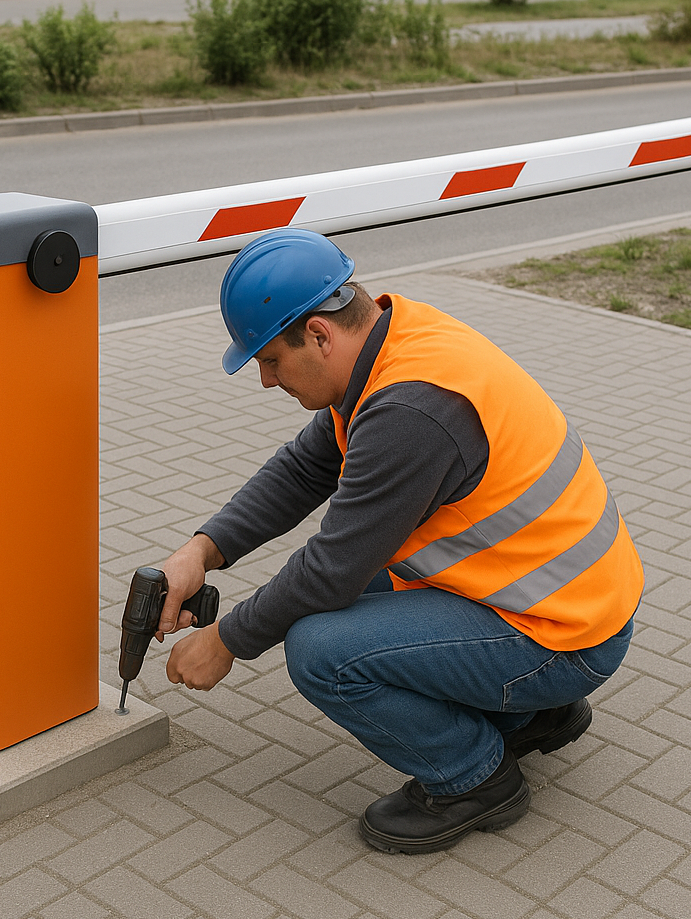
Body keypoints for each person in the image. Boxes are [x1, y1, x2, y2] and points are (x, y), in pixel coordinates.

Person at [158, 227, 643, 854]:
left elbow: (329, 570)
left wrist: (226, 641)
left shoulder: (410, 413)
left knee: (320, 647)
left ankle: (475, 777)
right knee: (354, 592)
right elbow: (306, 469)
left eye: (271, 360)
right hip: (566, 600)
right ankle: (532, 714)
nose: (267, 381)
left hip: (566, 638)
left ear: (320, 334)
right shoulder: (397, 342)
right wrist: (201, 548)